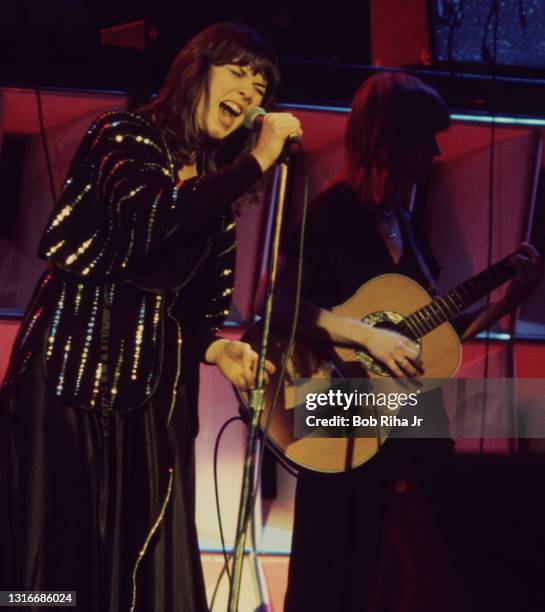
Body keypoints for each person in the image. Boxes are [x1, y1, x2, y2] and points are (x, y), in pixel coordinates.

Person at [0, 22, 302, 612]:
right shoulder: (123, 135)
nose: (249, 90)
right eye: (237, 71)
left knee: (139, 549)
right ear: (197, 70)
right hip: (71, 374)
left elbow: (188, 309)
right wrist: (257, 161)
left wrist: (217, 348)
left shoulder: (215, 194)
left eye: (261, 83)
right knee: (58, 546)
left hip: (147, 397)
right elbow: (148, 220)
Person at [273, 72, 541, 611]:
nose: (438, 151)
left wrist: (505, 305)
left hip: (412, 420)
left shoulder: (409, 226)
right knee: (338, 555)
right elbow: (278, 307)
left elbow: (429, 344)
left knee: (410, 561)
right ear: (392, 140)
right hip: (342, 407)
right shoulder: (332, 213)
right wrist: (366, 335)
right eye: (426, 138)